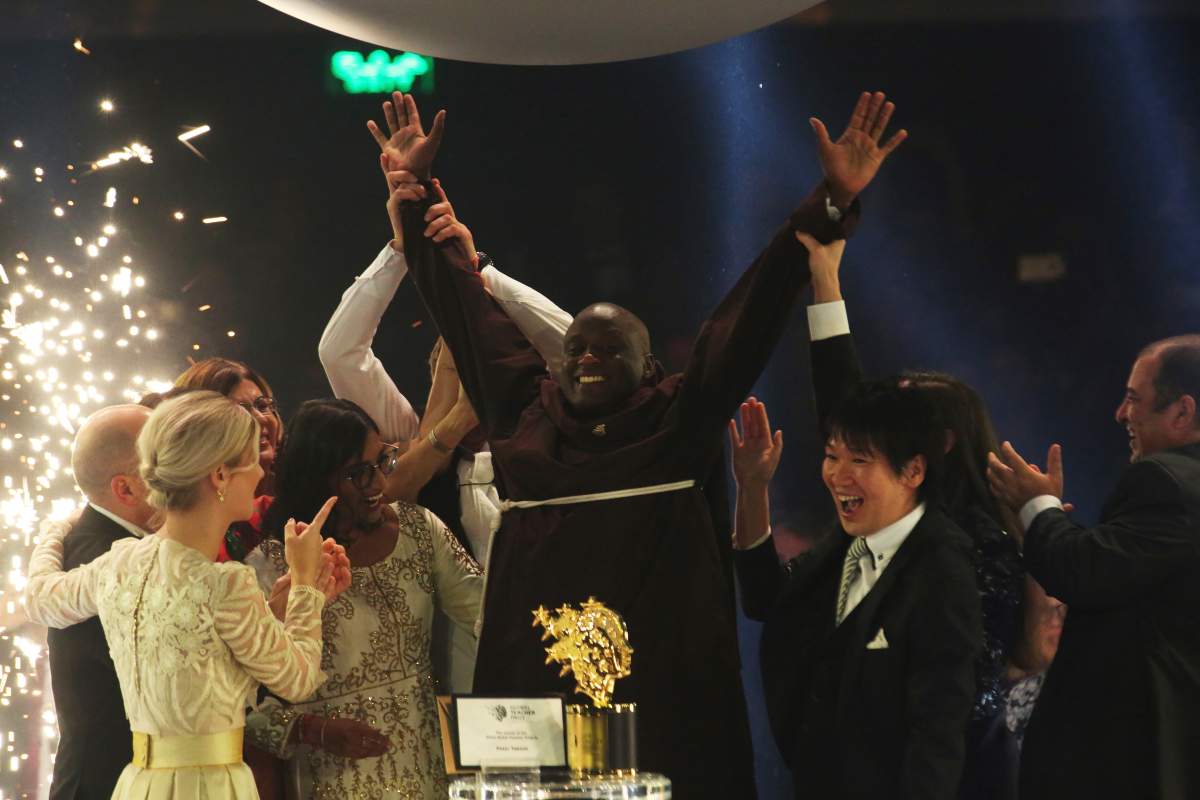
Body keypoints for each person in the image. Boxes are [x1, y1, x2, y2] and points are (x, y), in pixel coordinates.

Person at [387, 90, 902, 797]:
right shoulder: (527, 417)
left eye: (609, 349)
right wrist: (412, 192)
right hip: (537, 706)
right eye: (576, 348)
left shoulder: (677, 418)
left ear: (649, 366)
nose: (586, 360)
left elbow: (750, 310)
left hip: (662, 705)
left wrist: (831, 200)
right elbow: (465, 310)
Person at [799, 231, 1051, 797]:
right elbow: (842, 408)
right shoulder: (897, 525)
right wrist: (826, 282)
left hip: (958, 774)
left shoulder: (976, 543)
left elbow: (965, 689)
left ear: (937, 445)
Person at [24, 391, 344, 799]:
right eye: (250, 461)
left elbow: (40, 599)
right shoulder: (226, 585)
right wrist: (305, 586)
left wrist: (55, 528)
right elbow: (298, 679)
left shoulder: (116, 565)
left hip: (141, 784)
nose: (260, 474)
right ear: (220, 476)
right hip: (210, 785)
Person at [733, 385, 982, 799]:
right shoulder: (844, 545)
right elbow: (766, 600)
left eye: (860, 460)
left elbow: (937, 733)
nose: (838, 475)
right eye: (833, 456)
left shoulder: (942, 568)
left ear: (913, 471)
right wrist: (752, 487)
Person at [987, 335, 1200, 800]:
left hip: (1140, 760)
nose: (1121, 414)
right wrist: (1052, 530)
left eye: (1133, 399)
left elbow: (1085, 573)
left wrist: (1036, 507)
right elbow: (1122, 570)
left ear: (1182, 412)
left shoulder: (1166, 481)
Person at [246, 399, 483, 799]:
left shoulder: (419, 529)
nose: (378, 485)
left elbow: (484, 617)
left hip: (428, 765)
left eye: (381, 462)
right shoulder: (270, 565)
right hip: (332, 776)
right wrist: (314, 731)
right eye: (357, 473)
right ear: (316, 477)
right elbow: (235, 703)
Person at [44, 404, 157, 800]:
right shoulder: (106, 558)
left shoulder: (111, 541)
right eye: (163, 458)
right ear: (125, 489)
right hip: (105, 786)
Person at [174, 357, 283, 561]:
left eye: (262, 405)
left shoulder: (294, 485)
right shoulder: (190, 537)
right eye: (240, 411)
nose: (260, 418)